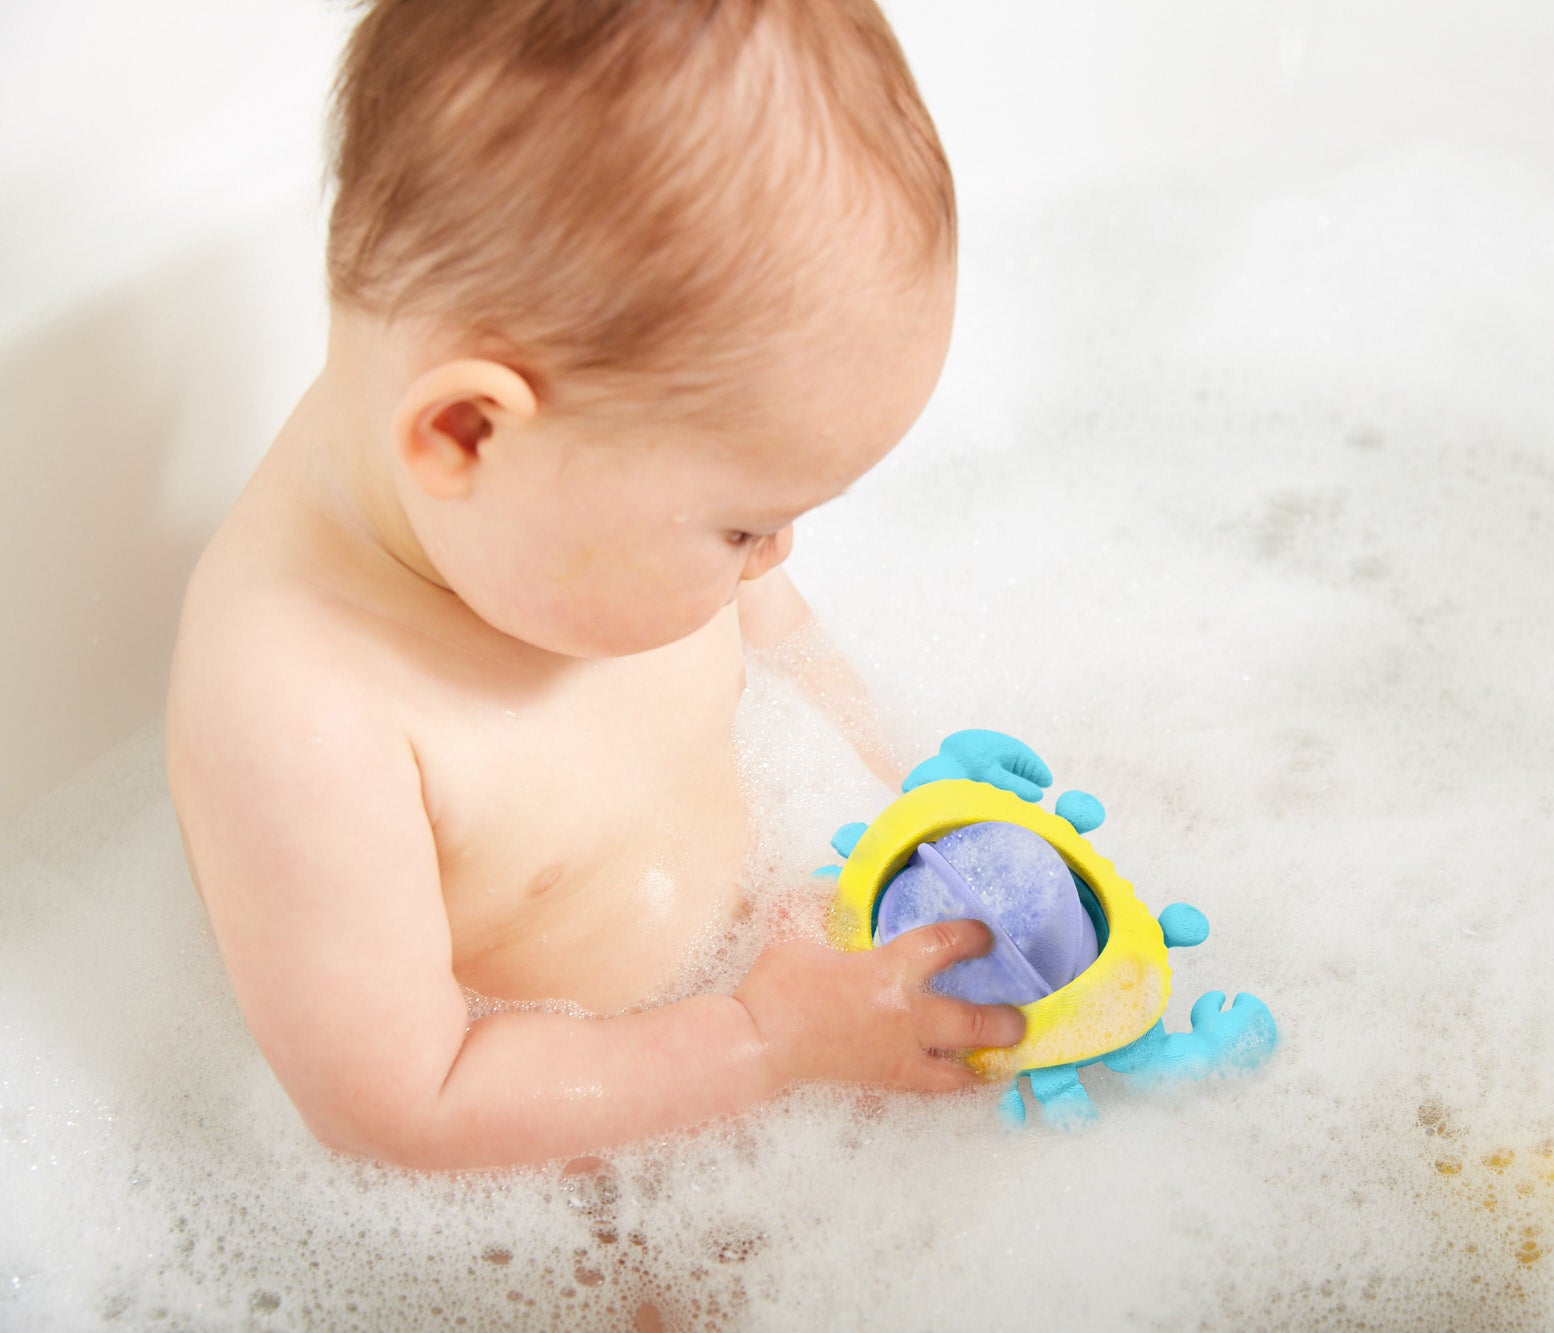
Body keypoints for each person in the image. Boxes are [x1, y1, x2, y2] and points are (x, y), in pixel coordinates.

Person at [165, 0, 1025, 1173]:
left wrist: (911, 805)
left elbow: (784, 642)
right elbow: (404, 1104)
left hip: (773, 1007)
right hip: (564, 1176)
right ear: (467, 432)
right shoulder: (302, 710)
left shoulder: (574, 490)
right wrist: (762, 1042)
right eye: (744, 527)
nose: (772, 561)